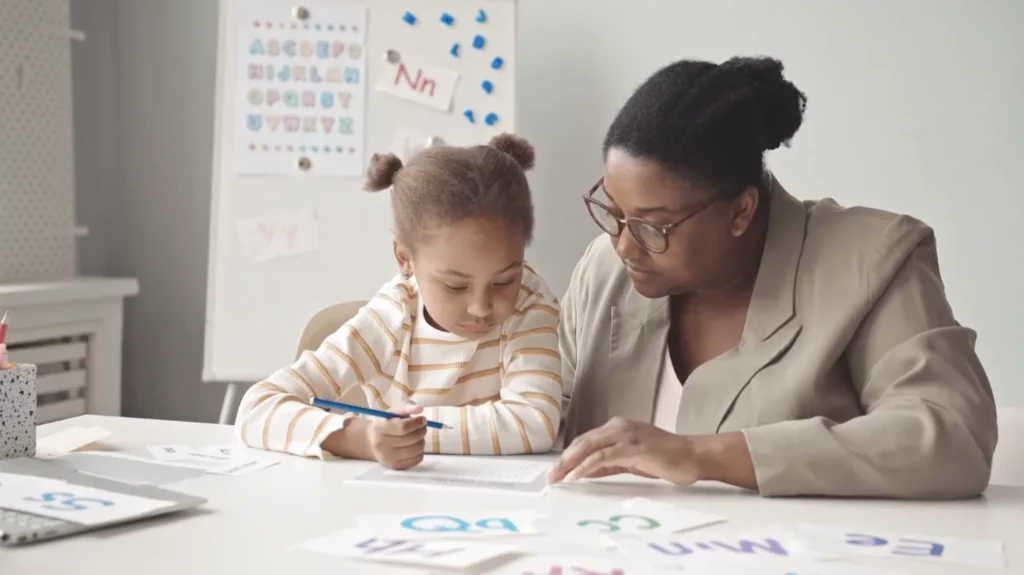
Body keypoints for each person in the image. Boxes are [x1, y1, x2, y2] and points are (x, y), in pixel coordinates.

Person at [547, 56, 998, 499]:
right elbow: (540, 414)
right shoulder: (605, 271)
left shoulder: (872, 260)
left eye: (653, 225)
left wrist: (704, 456)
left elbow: (952, 438)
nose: (624, 245)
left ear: (741, 210)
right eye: (614, 212)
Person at [235, 134, 562, 469]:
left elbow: (535, 423)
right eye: (455, 286)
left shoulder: (530, 308)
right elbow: (257, 408)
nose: (481, 307)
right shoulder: (391, 318)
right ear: (405, 259)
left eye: (504, 280)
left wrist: (410, 432)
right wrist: (359, 438)